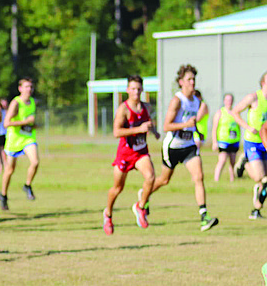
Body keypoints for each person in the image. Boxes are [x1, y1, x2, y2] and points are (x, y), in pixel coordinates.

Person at [149, 64, 219, 231]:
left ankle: (204, 216)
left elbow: (191, 122)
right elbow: (166, 126)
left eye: (194, 79)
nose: (192, 82)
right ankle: (144, 195)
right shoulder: (177, 100)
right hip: (173, 146)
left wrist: (196, 132)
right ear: (181, 82)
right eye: (189, 79)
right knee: (164, 180)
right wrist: (185, 124)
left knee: (199, 177)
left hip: (188, 145)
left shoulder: (196, 101)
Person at [102, 75, 160, 235]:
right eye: (133, 88)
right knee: (117, 188)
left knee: (150, 177)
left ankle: (140, 207)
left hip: (141, 152)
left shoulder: (146, 107)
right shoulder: (124, 109)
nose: (136, 91)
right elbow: (116, 132)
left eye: (138, 89)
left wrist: (154, 132)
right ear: (128, 90)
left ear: (142, 90)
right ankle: (108, 214)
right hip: (125, 154)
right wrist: (138, 129)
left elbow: (148, 123)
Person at [231, 72, 267, 219]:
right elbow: (235, 112)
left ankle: (256, 209)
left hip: (264, 142)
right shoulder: (253, 98)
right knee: (261, 177)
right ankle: (245, 163)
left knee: (263, 181)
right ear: (263, 83)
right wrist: (247, 126)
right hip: (252, 142)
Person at [0, 77, 39, 210]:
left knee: (35, 162)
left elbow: (30, 121)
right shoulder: (15, 103)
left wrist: (33, 125)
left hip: (28, 138)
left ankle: (27, 185)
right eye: (26, 86)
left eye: (31, 87)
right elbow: (6, 123)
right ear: (20, 88)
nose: (29, 89)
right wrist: (25, 122)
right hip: (14, 140)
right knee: (10, 170)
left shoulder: (33, 102)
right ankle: (3, 195)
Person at [211, 93, 240, 183]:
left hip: (234, 140)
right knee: (222, 160)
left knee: (233, 161)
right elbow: (214, 128)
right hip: (223, 141)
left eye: (230, 100)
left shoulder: (235, 112)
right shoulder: (220, 113)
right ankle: (216, 179)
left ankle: (232, 179)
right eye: (227, 100)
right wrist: (214, 142)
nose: (229, 102)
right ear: (224, 101)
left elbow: (239, 125)